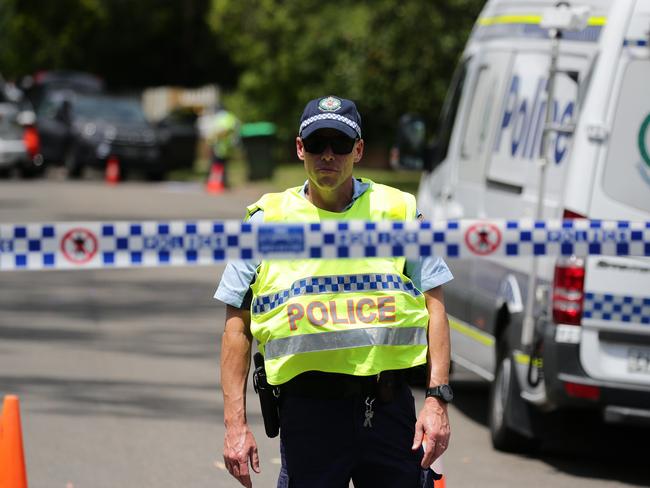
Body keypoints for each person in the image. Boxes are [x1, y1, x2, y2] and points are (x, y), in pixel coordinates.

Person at [215, 96, 453, 488]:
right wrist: (235, 426)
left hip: (390, 409)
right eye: (316, 144)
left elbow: (436, 305)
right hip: (309, 414)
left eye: (340, 144)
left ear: (358, 150)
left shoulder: (397, 210)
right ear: (299, 148)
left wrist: (437, 399)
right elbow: (236, 327)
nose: (328, 155)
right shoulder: (266, 221)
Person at [206, 107, 240, 188]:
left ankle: (217, 183)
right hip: (225, 147)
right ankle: (219, 183)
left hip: (221, 146)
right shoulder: (230, 117)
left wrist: (215, 136)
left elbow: (225, 130)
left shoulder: (223, 118)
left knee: (217, 165)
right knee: (220, 166)